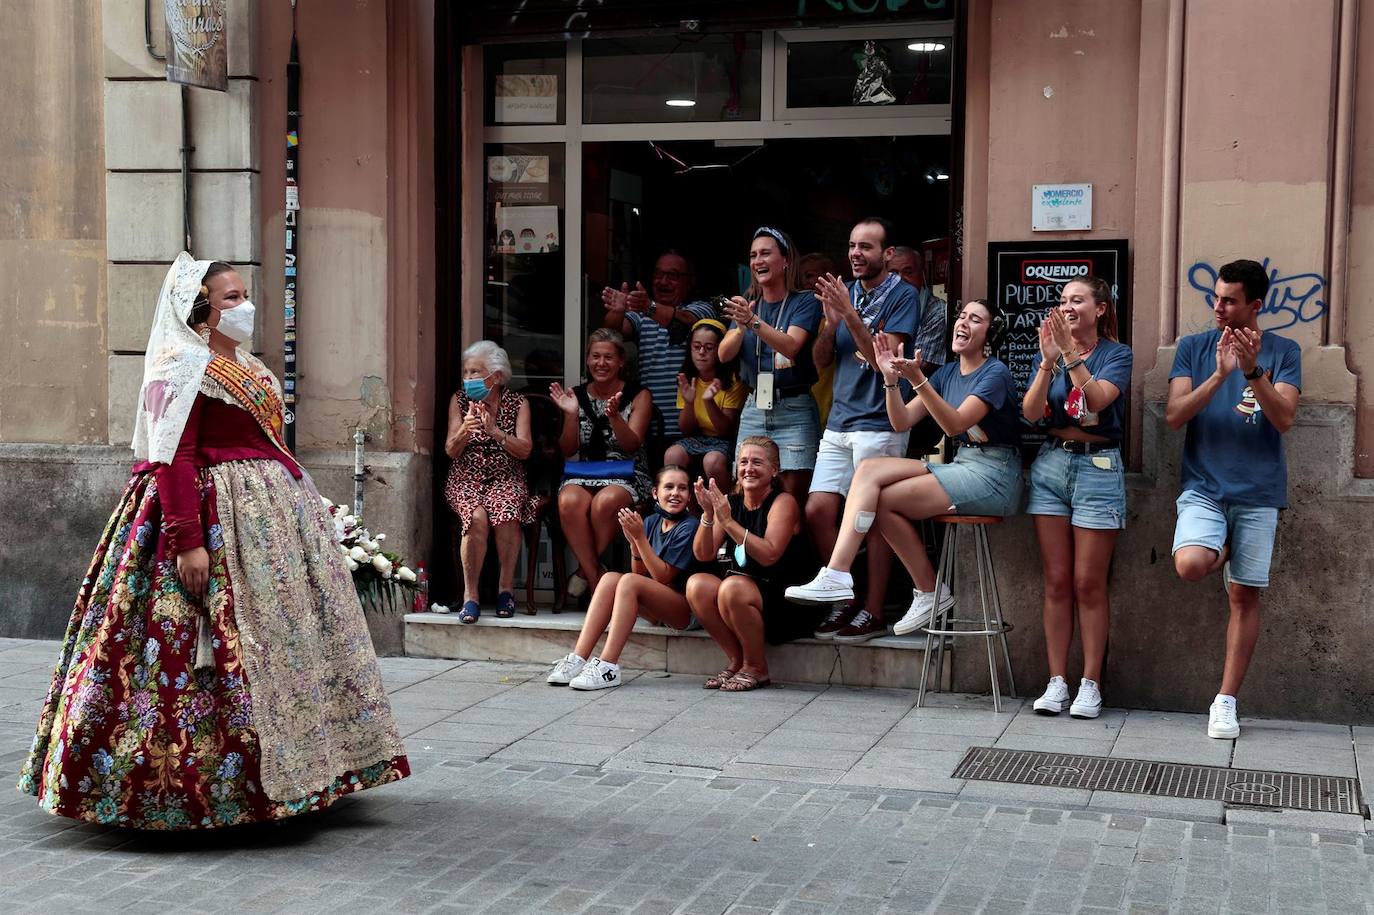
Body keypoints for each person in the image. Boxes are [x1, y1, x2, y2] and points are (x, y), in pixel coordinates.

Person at [18, 253, 407, 829]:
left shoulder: (246, 363)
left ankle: (313, 769)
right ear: (199, 307)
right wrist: (186, 539)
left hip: (267, 520)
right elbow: (172, 453)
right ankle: (203, 790)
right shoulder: (182, 365)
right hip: (210, 516)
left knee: (287, 644)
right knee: (202, 652)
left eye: (242, 294)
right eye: (230, 298)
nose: (243, 305)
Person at [786, 300, 1023, 636]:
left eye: (975, 319)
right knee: (871, 477)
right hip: (966, 465)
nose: (963, 323)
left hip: (995, 474)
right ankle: (863, 578)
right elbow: (901, 422)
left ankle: (905, 586)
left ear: (989, 335)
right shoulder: (947, 374)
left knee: (877, 485)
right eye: (961, 316)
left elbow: (955, 426)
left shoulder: (994, 372)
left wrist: (919, 380)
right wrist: (891, 380)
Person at [1166, 259, 1300, 740]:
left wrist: (1252, 371)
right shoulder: (1194, 347)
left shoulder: (1284, 350)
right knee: (1190, 564)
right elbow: (1175, 415)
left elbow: (1284, 418)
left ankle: (1225, 701)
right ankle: (1218, 547)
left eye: (1229, 300)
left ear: (1255, 305)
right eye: (1216, 297)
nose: (1218, 307)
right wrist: (1221, 375)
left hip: (1259, 492)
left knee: (1244, 595)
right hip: (1204, 487)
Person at [1021, 278, 1133, 719]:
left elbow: (1099, 400)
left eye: (1077, 300)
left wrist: (1069, 354)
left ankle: (1090, 683)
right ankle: (1056, 681)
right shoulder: (1048, 349)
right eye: (1063, 300)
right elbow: (1030, 413)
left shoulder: (1116, 354)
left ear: (1100, 309)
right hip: (1051, 463)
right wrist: (1048, 362)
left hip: (1098, 466)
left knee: (1089, 582)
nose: (1067, 306)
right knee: (1056, 581)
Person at [806, 217, 920, 641]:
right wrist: (831, 322)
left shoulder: (903, 296)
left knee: (872, 520)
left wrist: (850, 315)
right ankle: (845, 596)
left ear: (887, 255)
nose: (856, 254)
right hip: (838, 420)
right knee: (818, 509)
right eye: (852, 246)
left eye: (866, 247)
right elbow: (820, 361)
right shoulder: (845, 294)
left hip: (880, 421)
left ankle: (873, 609)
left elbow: (881, 361)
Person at [546, 465, 700, 690]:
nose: (675, 493)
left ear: (689, 495)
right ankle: (578, 659)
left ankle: (608, 666)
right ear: (655, 493)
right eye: (669, 487)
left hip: (684, 610)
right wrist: (635, 546)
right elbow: (640, 576)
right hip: (658, 607)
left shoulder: (689, 526)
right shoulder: (651, 522)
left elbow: (663, 576)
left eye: (682, 488)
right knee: (610, 579)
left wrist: (639, 539)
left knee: (627, 581)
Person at [686, 437, 816, 692]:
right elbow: (703, 554)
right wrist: (709, 514)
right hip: (745, 594)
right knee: (697, 585)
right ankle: (737, 661)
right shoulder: (731, 503)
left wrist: (728, 522)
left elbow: (769, 555)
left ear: (774, 470)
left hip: (786, 600)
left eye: (757, 462)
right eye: (743, 462)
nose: (749, 468)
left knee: (732, 587)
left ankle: (757, 667)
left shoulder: (783, 502)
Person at [718, 227, 822, 499]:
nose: (757, 261)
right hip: (755, 406)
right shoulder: (750, 304)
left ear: (786, 260)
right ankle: (749, 543)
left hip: (795, 407)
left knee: (791, 492)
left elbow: (791, 345)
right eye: (753, 255)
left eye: (766, 253)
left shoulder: (805, 301)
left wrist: (751, 321)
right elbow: (723, 354)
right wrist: (740, 328)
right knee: (746, 490)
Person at [552, 329, 654, 597]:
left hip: (628, 473)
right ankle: (599, 580)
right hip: (584, 471)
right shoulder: (576, 395)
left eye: (608, 357)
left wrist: (615, 417)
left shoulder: (639, 395)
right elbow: (567, 448)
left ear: (621, 361)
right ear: (587, 360)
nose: (601, 363)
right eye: (595, 356)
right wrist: (572, 416)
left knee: (605, 503)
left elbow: (632, 445)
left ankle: (585, 573)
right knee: (568, 501)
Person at [444, 340, 535, 623]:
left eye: (475, 372)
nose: (469, 378)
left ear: (495, 376)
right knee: (476, 517)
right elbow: (450, 450)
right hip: (466, 477)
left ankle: (505, 590)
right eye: (467, 372)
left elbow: (526, 449)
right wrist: (465, 432)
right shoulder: (459, 400)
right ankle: (471, 597)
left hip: (506, 476)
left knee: (506, 512)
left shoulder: (518, 403)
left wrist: (496, 432)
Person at [601, 250, 715, 440]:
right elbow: (612, 334)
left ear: (689, 281)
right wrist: (618, 311)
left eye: (672, 276)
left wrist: (649, 306)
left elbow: (685, 321)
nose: (663, 282)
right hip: (650, 426)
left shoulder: (702, 309)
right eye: (658, 274)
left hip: (692, 428)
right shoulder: (641, 316)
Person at [665, 318, 747, 494]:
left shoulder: (733, 379)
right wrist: (688, 402)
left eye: (709, 348)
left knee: (712, 461)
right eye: (696, 346)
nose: (701, 352)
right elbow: (687, 430)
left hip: (725, 441)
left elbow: (725, 430)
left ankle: (725, 510)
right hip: (699, 437)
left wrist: (708, 401)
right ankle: (688, 512)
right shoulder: (687, 379)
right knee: (673, 455)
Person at [888, 245, 949, 456]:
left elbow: (921, 365)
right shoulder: (879, 305)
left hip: (917, 412)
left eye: (908, 272)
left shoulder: (936, 311)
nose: (901, 279)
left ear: (922, 275)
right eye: (893, 273)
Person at [800, 252, 839, 429]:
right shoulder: (799, 313)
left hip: (829, 394)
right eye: (800, 278)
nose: (804, 283)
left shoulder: (840, 314)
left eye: (809, 276)